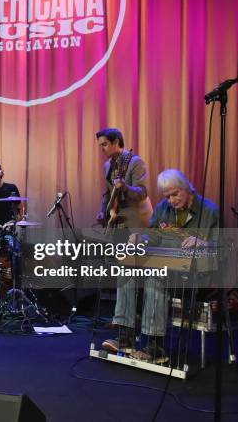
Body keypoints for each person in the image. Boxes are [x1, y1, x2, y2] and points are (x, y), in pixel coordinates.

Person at [104, 169, 220, 363]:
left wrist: (205, 243)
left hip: (194, 277)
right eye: (167, 196)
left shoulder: (209, 211)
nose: (171, 200)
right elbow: (152, 236)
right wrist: (140, 238)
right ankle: (126, 336)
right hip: (165, 267)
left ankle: (155, 345)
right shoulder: (162, 209)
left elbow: (223, 248)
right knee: (126, 270)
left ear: (187, 188)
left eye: (175, 194)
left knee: (155, 276)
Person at [95, 128, 152, 355]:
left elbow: (143, 193)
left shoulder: (135, 162)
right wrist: (103, 211)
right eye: (100, 145)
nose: (102, 149)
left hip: (136, 225)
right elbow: (107, 194)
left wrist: (125, 187)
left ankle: (135, 334)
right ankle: (126, 334)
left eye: (105, 144)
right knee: (124, 278)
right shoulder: (108, 166)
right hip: (118, 223)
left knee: (133, 279)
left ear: (117, 142)